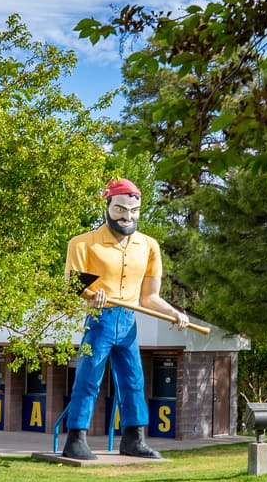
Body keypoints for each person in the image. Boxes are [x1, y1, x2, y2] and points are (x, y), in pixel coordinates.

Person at [62, 178, 188, 460]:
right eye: (120, 209)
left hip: (128, 321)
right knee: (88, 376)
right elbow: (74, 287)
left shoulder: (148, 246)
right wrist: (93, 295)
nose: (127, 216)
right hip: (99, 321)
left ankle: (134, 439)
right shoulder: (83, 243)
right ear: (107, 205)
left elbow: (149, 297)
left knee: (134, 380)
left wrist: (175, 314)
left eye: (133, 210)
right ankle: (76, 438)